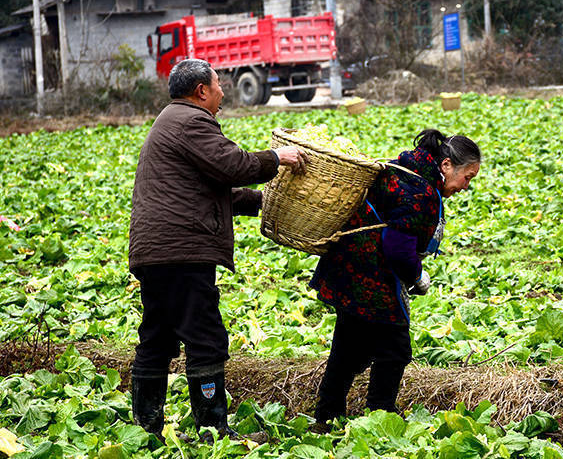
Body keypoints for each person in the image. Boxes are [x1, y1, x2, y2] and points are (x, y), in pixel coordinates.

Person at [128, 58, 308, 440]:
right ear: (201, 91)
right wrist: (277, 159)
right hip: (183, 251)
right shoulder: (191, 121)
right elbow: (231, 165)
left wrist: (264, 203)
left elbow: (217, 188)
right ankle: (213, 429)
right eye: (218, 85)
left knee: (157, 337)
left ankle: (147, 430)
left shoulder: (170, 121)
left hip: (157, 250)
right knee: (205, 338)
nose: (223, 92)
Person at [309, 128, 481, 425]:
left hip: (346, 266)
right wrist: (417, 276)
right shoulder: (421, 191)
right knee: (395, 348)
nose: (466, 186)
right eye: (467, 178)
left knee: (348, 346)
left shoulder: (408, 167)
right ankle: (380, 415)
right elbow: (397, 247)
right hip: (368, 276)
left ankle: (327, 415)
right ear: (446, 166)